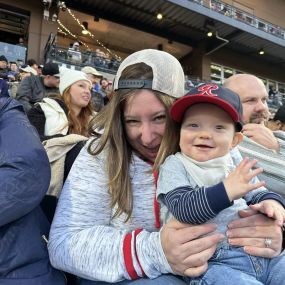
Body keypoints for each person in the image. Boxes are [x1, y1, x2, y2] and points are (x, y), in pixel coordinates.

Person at [48, 49, 283, 284]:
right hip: (141, 275)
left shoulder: (210, 143)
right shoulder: (99, 154)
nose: (147, 137)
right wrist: (159, 250)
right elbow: (64, 244)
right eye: (132, 121)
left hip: (238, 259)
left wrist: (275, 229)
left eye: (160, 118)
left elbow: (258, 193)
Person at [157, 83, 285, 284]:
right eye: (193, 125)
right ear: (179, 131)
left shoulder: (233, 161)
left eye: (218, 127)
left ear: (235, 140)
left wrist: (273, 204)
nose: (205, 134)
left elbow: (258, 192)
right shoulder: (175, 165)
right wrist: (226, 190)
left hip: (265, 256)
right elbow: (183, 209)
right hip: (215, 263)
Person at [0, 93, 66, 284]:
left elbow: (27, 170)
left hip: (21, 265)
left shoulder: (6, 113)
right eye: (81, 85)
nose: (87, 91)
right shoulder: (38, 110)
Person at [27, 68, 93, 198]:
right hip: (43, 179)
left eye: (90, 89)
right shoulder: (43, 109)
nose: (87, 91)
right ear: (67, 88)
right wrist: (71, 140)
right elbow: (31, 141)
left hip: (80, 187)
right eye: (81, 86)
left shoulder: (94, 121)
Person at [224, 74, 285, 197]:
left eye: (264, 99)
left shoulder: (278, 137)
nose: (262, 107)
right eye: (250, 100)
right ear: (227, 106)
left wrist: (277, 146)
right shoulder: (225, 144)